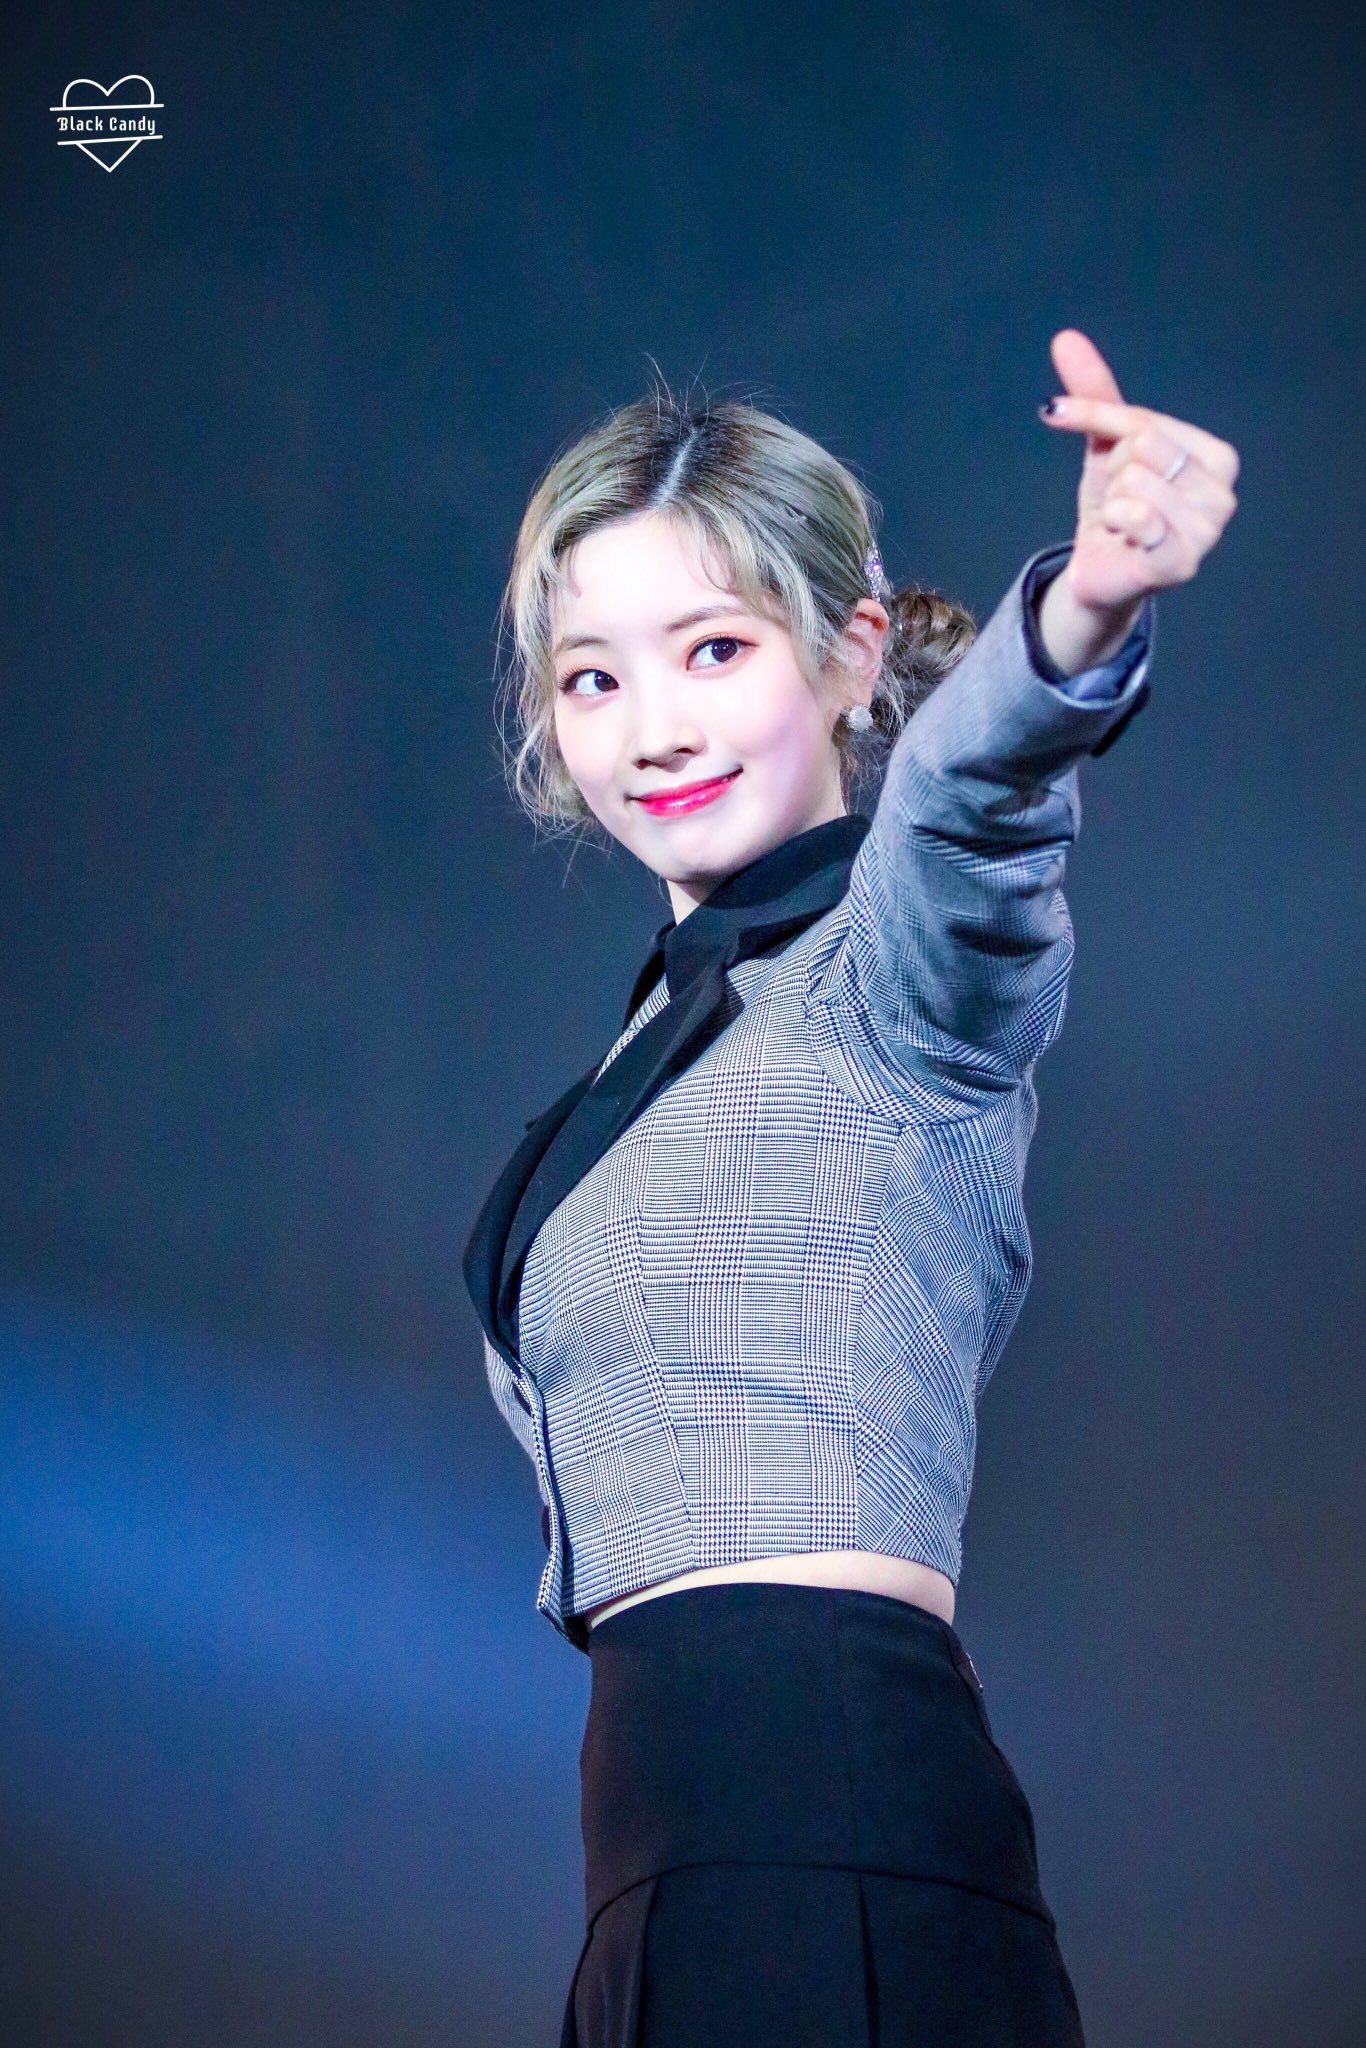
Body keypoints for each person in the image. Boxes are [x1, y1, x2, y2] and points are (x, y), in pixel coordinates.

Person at [462, 327, 1239, 2045]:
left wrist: (1083, 610)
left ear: (849, 653)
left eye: (713, 649)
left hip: (825, 1842)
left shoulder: (889, 976)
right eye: (592, 678)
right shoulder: (650, 1051)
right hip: (664, 1873)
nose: (653, 727)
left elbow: (972, 797)